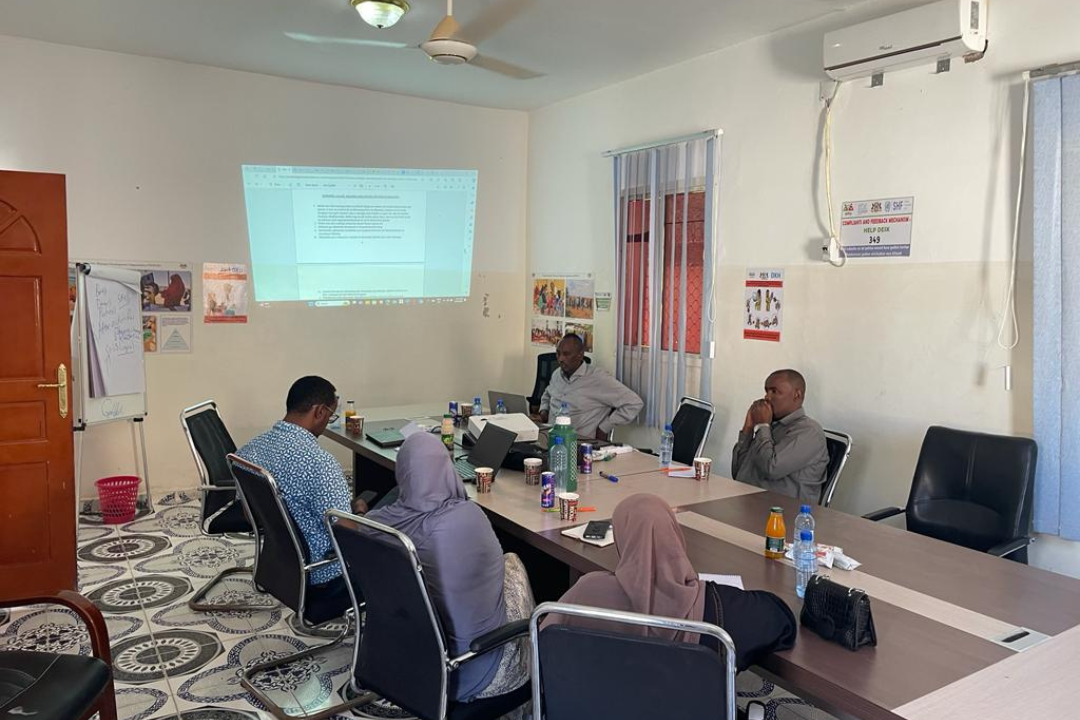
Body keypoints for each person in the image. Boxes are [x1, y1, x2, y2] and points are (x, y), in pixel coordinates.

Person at [367, 432, 534, 704]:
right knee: (511, 561)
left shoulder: (379, 523)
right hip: (473, 671)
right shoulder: (468, 519)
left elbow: (347, 525)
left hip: (402, 661)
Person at [547, 494, 796, 671]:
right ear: (675, 537)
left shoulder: (585, 593)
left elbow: (541, 650)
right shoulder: (720, 611)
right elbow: (782, 619)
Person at [238, 376, 366, 586]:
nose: (327, 423)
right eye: (330, 416)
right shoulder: (320, 463)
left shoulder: (249, 451)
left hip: (279, 565)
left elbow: (249, 513)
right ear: (320, 412)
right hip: (322, 573)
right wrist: (359, 513)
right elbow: (348, 536)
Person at [731, 369, 829, 502]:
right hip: (750, 502)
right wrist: (747, 429)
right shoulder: (771, 426)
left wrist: (762, 426)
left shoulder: (808, 431)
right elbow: (739, 473)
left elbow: (771, 469)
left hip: (783, 513)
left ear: (796, 395)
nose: (767, 397)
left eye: (774, 391)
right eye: (766, 391)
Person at [539, 334, 643, 440]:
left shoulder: (598, 378)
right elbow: (547, 393)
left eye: (566, 354)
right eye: (558, 353)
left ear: (580, 355)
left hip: (577, 443)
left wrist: (604, 427)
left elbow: (634, 403)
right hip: (549, 436)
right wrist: (543, 410)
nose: (560, 359)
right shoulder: (557, 374)